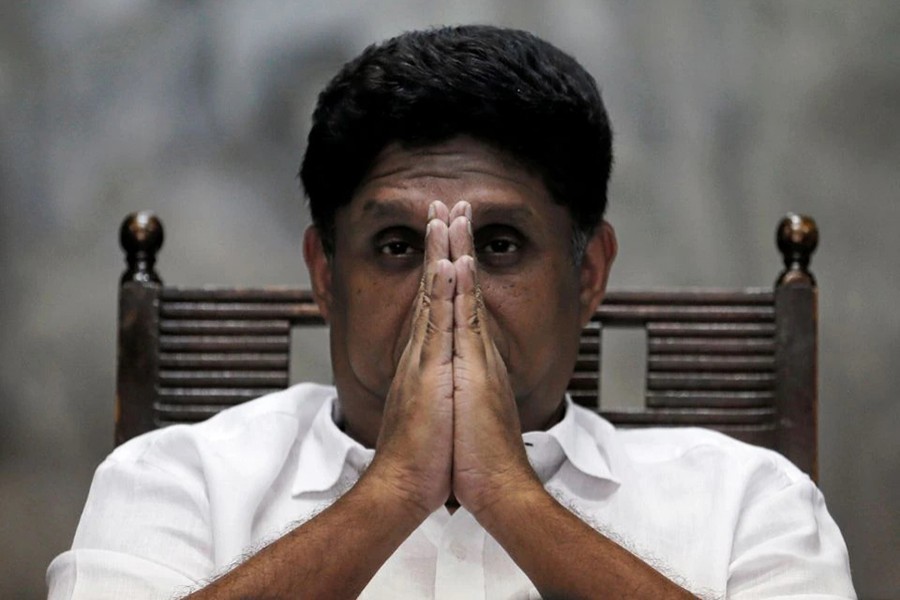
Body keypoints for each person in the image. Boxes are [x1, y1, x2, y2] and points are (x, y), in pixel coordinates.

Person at [47, 25, 856, 599]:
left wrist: (511, 496)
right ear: (325, 275)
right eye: (398, 245)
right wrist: (394, 488)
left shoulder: (747, 499)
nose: (448, 284)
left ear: (589, 274)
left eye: (499, 244)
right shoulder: (175, 481)